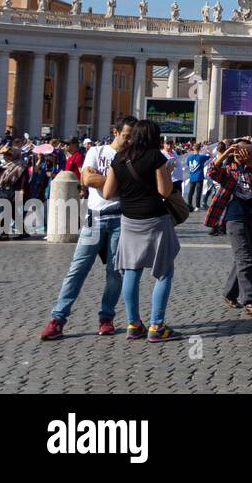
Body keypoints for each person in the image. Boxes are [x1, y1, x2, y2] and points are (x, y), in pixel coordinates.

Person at [39, 117, 136, 341]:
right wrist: (114, 182)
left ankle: (106, 318)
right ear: (115, 132)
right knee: (77, 269)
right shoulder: (97, 151)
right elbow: (86, 178)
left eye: (132, 137)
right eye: (126, 135)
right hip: (95, 218)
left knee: (115, 273)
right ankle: (57, 319)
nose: (129, 140)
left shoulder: (132, 156)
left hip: (120, 219)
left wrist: (100, 179)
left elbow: (124, 185)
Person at [102, 119, 181, 342]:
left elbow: (108, 193)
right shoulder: (156, 157)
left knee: (131, 271)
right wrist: (167, 172)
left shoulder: (119, 158)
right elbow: (164, 191)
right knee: (164, 271)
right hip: (155, 219)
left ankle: (133, 324)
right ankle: (156, 326)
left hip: (129, 220)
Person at [206, 139, 252, 314]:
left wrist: (250, 162)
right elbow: (211, 171)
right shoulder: (228, 170)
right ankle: (251, 301)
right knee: (245, 259)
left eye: (249, 152)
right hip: (234, 218)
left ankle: (230, 293)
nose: (245, 154)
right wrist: (226, 153)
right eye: (242, 151)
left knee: (246, 257)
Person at [183, 143, 209, 211]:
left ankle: (189, 204)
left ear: (193, 148)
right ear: (200, 149)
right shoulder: (201, 157)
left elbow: (188, 164)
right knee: (198, 192)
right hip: (199, 177)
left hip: (192, 177)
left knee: (191, 191)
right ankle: (197, 206)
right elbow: (211, 156)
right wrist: (207, 150)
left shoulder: (189, 157)